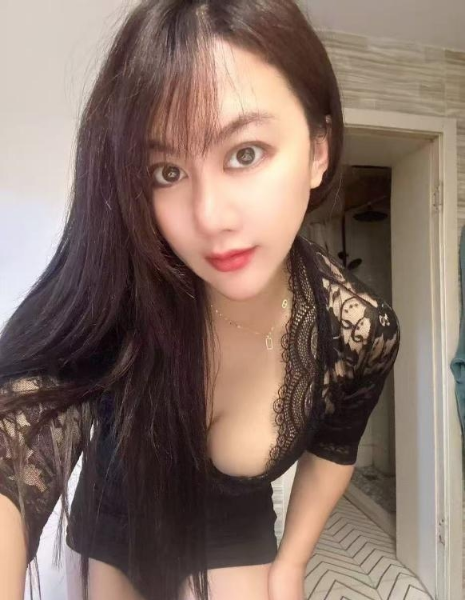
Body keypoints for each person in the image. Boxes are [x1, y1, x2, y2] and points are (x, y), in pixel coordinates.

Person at [0, 1, 401, 599]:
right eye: (166, 172)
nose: (209, 218)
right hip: (117, 521)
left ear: (319, 150)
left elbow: (334, 448)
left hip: (233, 531)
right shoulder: (123, 285)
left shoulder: (359, 330)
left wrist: (291, 564)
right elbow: (24, 414)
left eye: (245, 153)